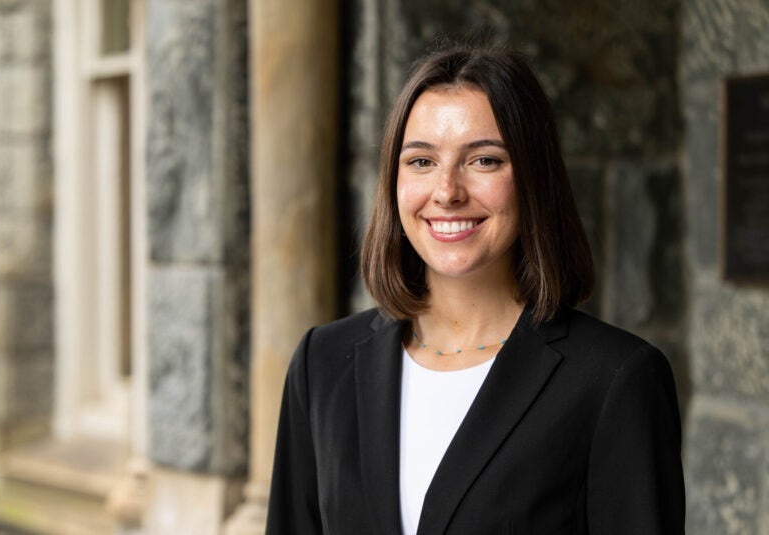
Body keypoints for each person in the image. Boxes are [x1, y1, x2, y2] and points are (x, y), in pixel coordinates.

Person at [265, 44, 685, 534]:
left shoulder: (615, 379)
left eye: (484, 160)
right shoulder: (324, 364)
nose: (447, 191)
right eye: (421, 161)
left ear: (533, 178)